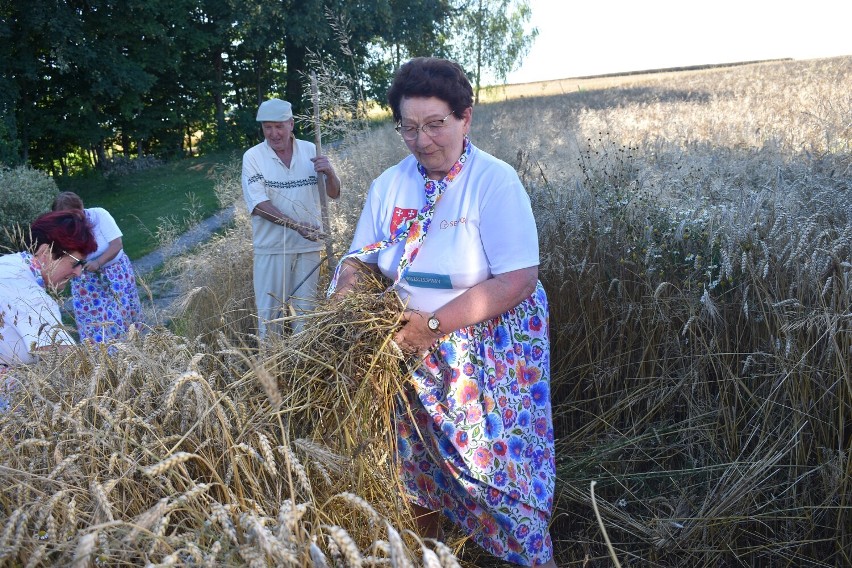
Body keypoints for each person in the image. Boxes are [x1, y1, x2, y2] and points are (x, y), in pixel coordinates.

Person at [328, 58, 556, 567]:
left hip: (487, 359)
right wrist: (347, 290)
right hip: (408, 354)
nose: (423, 140)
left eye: (435, 124)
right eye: (409, 127)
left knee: (498, 474)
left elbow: (519, 279)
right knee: (417, 471)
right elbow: (361, 256)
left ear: (465, 118)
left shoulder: (494, 182)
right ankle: (430, 555)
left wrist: (433, 326)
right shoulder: (390, 185)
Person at [241, 97, 341, 336]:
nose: (273, 133)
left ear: (291, 124)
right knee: (269, 318)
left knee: (306, 317)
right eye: (267, 127)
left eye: (279, 126)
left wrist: (330, 172)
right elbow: (258, 205)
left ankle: (301, 370)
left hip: (308, 247)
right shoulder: (253, 157)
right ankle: (271, 372)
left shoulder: (310, 150)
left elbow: (334, 194)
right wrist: (297, 226)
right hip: (272, 248)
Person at [0, 210, 97, 409]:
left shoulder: (10, 265)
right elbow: (67, 360)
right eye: (76, 263)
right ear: (45, 252)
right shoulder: (27, 293)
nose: (79, 273)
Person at [52, 192, 143, 343]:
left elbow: (117, 244)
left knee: (120, 314)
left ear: (81, 209)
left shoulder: (99, 215)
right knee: (93, 322)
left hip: (115, 273)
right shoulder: (62, 229)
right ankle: (103, 357)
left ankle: (129, 348)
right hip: (86, 281)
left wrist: (98, 262)